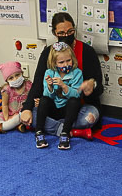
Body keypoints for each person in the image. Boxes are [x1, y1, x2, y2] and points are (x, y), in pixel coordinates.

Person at [20, 12, 104, 140]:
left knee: (89, 117)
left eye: (70, 31)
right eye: (61, 33)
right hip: (55, 106)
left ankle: (53, 128)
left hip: (80, 105)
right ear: (54, 33)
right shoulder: (48, 52)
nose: (66, 36)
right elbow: (37, 83)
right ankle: (69, 131)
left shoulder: (87, 51)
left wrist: (92, 85)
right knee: (32, 114)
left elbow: (99, 86)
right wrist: (27, 108)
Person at [34, 42, 83, 150]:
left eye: (68, 60)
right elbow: (46, 96)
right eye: (61, 62)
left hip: (67, 110)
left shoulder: (77, 73)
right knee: (43, 101)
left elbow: (77, 94)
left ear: (72, 59)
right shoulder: (49, 72)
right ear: (54, 63)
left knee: (75, 101)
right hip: (53, 109)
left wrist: (64, 86)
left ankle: (64, 133)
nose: (66, 65)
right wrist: (50, 86)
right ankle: (39, 131)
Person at [0, 61, 31, 136]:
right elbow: (5, 105)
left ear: (22, 73)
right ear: (7, 80)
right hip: (9, 114)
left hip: (22, 114)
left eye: (17, 75)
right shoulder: (6, 90)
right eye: (11, 78)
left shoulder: (28, 85)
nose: (15, 79)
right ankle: (15, 126)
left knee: (17, 118)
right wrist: (7, 118)